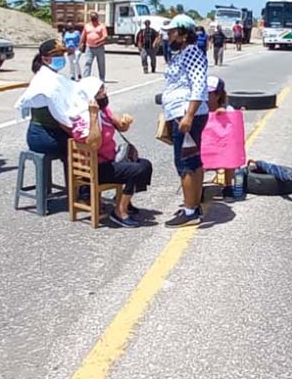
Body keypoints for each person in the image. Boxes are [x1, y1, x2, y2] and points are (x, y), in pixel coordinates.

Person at [71, 77, 152, 228]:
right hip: (95, 168)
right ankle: (119, 211)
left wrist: (125, 122)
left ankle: (124, 200)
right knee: (137, 170)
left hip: (110, 161)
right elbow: (94, 144)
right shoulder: (83, 118)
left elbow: (120, 126)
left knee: (145, 165)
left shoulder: (103, 111)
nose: (104, 93)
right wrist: (93, 116)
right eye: (100, 91)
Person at [161, 14, 210, 227]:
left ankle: (190, 212)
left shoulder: (191, 52)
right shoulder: (180, 53)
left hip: (186, 114)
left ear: (181, 34)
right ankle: (194, 203)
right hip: (180, 112)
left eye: (171, 32)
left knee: (185, 163)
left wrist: (188, 116)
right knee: (193, 160)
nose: (168, 36)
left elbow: (199, 85)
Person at [23, 40, 74, 164]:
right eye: (56, 56)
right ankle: (77, 183)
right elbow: (60, 118)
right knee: (82, 148)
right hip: (43, 136)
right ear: (45, 59)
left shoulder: (52, 77)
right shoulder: (46, 81)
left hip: (49, 133)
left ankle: (75, 183)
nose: (61, 58)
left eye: (62, 55)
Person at [81, 12, 108, 81]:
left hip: (99, 47)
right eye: (92, 19)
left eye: (95, 19)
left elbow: (105, 36)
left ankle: (102, 79)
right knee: (87, 62)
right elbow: (83, 35)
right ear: (90, 18)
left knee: (101, 64)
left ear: (97, 18)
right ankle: (86, 78)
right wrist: (81, 44)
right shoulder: (87, 26)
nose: (94, 20)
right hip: (89, 47)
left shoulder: (101, 26)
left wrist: (99, 41)